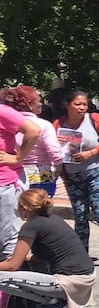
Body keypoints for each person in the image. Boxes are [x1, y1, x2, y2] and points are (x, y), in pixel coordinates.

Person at [0, 189, 96, 308]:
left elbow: (12, 266)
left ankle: (55, 302)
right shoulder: (54, 219)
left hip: (71, 281)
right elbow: (44, 255)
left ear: (24, 208)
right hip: (87, 277)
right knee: (27, 264)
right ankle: (53, 300)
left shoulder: (31, 226)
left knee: (1, 278)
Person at [53, 90, 99, 268]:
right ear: (67, 105)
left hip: (98, 172)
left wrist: (91, 153)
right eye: (78, 104)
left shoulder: (95, 119)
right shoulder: (58, 124)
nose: (82, 108)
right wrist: (55, 141)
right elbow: (49, 147)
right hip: (73, 176)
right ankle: (82, 255)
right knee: (80, 215)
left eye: (84, 104)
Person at [1, 86, 63, 195]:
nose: (41, 104)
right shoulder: (43, 125)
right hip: (42, 172)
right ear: (30, 105)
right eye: (39, 101)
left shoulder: (7, 123)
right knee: (41, 208)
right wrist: (58, 170)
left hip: (17, 174)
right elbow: (55, 153)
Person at [0, 101, 41, 259]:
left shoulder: (3, 111)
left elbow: (33, 130)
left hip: (3, 183)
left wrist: (18, 157)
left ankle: (9, 278)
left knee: (7, 238)